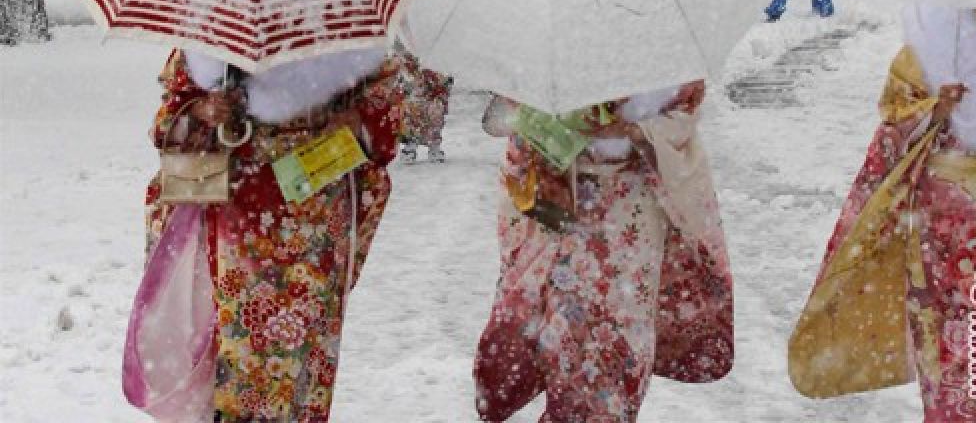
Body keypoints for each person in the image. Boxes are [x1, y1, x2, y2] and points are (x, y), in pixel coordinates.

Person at [788, 6, 976, 422]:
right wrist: (936, 110)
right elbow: (895, 116)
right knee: (950, 337)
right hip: (945, 218)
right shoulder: (937, 31)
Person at [144, 48, 411, 422]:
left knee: (298, 343)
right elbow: (167, 125)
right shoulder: (210, 39)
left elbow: (386, 116)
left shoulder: (350, 40)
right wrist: (203, 112)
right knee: (232, 339)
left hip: (311, 212)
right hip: (233, 210)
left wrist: (354, 122)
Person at [474, 83, 734, 422]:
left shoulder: (669, 56)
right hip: (571, 200)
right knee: (567, 326)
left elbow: (682, 121)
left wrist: (633, 129)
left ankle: (611, 413)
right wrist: (557, 126)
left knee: (627, 330)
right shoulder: (555, 57)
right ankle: (570, 411)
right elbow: (514, 122)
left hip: (634, 208)